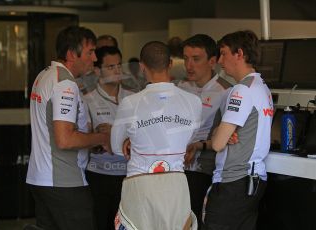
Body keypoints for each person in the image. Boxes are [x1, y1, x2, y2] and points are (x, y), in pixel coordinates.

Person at [26, 26, 111, 230]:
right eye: (90, 52)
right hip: (64, 183)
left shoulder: (45, 75)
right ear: (72, 54)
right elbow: (65, 139)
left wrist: (90, 140)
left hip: (43, 180)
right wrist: (101, 138)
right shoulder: (65, 84)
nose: (94, 58)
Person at [111, 41, 201, 230]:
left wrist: (131, 140)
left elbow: (115, 148)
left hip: (140, 186)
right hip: (176, 186)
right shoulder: (193, 102)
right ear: (170, 64)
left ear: (142, 66)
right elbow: (188, 139)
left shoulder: (130, 103)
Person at [203, 30, 273, 230]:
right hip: (254, 180)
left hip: (234, 181)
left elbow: (217, 144)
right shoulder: (262, 87)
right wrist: (223, 132)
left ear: (239, 54)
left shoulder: (242, 90)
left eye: (224, 53)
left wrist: (220, 133)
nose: (219, 60)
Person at [179, 34, 232, 229]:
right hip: (177, 169)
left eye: (196, 59)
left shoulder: (227, 91)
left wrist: (200, 146)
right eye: (185, 58)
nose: (189, 65)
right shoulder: (179, 87)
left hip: (205, 171)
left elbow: (228, 138)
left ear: (212, 61)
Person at [83, 46, 134, 230]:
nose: (117, 71)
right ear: (97, 71)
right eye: (111, 67)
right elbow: (86, 139)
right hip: (99, 175)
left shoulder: (134, 97)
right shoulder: (87, 99)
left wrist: (112, 133)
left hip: (129, 175)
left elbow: (144, 136)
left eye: (119, 65)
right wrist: (101, 138)